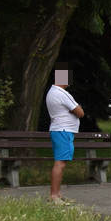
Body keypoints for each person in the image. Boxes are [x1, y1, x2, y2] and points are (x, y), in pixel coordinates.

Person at [45, 71, 84, 204]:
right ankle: (54, 195)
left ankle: (57, 194)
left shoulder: (52, 92)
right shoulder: (61, 93)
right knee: (60, 163)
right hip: (63, 130)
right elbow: (80, 112)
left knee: (61, 162)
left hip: (59, 130)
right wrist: (76, 109)